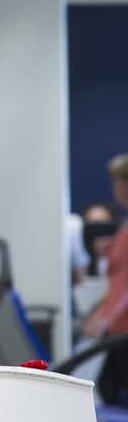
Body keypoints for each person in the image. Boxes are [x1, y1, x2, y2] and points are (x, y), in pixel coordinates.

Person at [82, 153, 128, 407]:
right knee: (109, 388)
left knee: (111, 390)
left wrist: (103, 318)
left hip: (123, 329)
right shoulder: (123, 230)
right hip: (120, 328)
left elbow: (124, 286)